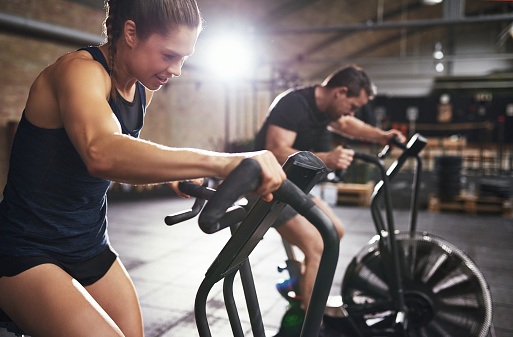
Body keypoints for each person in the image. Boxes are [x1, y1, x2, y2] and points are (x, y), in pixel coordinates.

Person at [0, 1, 286, 336]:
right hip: (27, 248)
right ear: (131, 33)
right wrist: (222, 161)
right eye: (169, 55)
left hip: (88, 243)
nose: (177, 70)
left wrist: (173, 172)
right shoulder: (78, 71)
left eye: (184, 58)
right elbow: (101, 153)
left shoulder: (139, 91)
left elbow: (125, 157)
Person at [254, 65, 406, 312]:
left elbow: (347, 125)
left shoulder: (325, 109)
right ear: (340, 92)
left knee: (335, 231)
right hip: (265, 187)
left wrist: (383, 137)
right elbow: (276, 151)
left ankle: (304, 283)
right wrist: (327, 158)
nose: (352, 112)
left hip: (291, 187)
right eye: (353, 105)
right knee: (318, 246)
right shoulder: (294, 104)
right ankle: (313, 321)